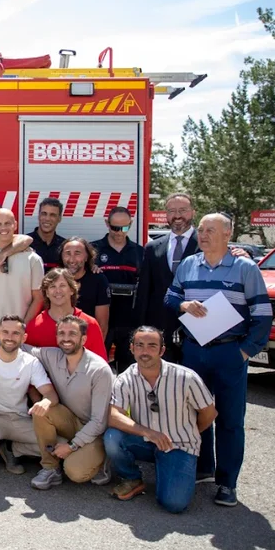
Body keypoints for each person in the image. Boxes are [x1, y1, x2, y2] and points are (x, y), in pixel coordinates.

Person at [165, 213, 272, 507]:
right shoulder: (189, 264)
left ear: (228, 234)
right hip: (194, 350)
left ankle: (227, 483)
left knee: (230, 420)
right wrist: (184, 304)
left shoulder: (245, 267)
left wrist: (245, 351)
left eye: (210, 230)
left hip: (229, 352)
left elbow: (262, 314)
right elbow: (170, 298)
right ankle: (203, 469)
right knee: (194, 413)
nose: (203, 234)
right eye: (201, 229)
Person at [105, 326, 217, 513]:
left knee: (174, 504)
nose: (145, 351)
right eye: (139, 345)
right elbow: (114, 416)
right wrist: (148, 432)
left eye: (152, 346)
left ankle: (173, 467)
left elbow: (209, 413)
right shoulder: (125, 379)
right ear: (132, 349)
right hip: (145, 440)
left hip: (178, 445)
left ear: (162, 350)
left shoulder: (186, 377)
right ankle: (132, 478)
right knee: (112, 438)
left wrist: (190, 433)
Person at [20, 316, 114, 490]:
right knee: (42, 409)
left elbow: (99, 422)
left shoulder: (99, 370)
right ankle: (50, 468)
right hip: (70, 421)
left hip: (94, 431)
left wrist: (71, 446)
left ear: (83, 339)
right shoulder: (52, 355)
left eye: (72, 333)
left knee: (75, 472)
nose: (66, 338)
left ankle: (102, 460)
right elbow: (19, 345)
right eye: (61, 333)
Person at [0, 315, 56, 475]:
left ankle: (12, 448)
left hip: (19, 418)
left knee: (55, 445)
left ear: (24, 338)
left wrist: (46, 402)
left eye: (15, 333)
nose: (10, 337)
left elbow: (50, 393)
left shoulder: (30, 362)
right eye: (5, 332)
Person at [135, 193, 198, 364]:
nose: (177, 216)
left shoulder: (205, 244)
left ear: (193, 212)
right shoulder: (153, 247)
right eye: (172, 211)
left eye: (182, 210)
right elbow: (144, 290)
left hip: (196, 326)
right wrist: (141, 327)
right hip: (160, 326)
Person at [0, 209, 44, 346]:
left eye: (7, 223)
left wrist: (21, 329)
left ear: (15, 225)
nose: (3, 228)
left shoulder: (33, 259)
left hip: (24, 338)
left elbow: (39, 298)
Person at [93, 207, 143, 371]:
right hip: (100, 321)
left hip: (129, 321)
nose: (120, 232)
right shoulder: (93, 250)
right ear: (107, 224)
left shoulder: (140, 252)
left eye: (125, 227)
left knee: (128, 369)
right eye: (115, 228)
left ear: (131, 224)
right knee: (97, 366)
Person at [26, 269, 108, 360]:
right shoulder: (34, 327)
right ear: (47, 293)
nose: (58, 291)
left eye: (62, 285)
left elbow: (100, 363)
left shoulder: (90, 324)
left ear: (72, 290)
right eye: (52, 286)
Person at [60, 237, 111, 334]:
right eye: (68, 253)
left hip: (88, 339)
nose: (72, 259)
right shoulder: (55, 279)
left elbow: (102, 325)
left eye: (77, 253)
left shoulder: (98, 280)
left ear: (86, 257)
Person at [29, 197, 66, 272]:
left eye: (52, 215)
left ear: (59, 218)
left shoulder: (65, 246)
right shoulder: (25, 243)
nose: (47, 218)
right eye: (44, 214)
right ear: (39, 216)